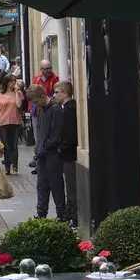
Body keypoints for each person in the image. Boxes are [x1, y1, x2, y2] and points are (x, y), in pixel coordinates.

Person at [31, 84, 64, 219]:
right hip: (42, 154)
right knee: (42, 186)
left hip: (52, 154)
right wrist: (38, 148)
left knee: (56, 186)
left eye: (36, 102)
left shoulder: (55, 110)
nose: (36, 105)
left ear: (43, 96)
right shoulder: (42, 110)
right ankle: (41, 213)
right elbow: (40, 131)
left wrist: (44, 148)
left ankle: (61, 215)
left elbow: (55, 135)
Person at [56, 81, 79, 226]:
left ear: (65, 93)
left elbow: (69, 134)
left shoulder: (69, 110)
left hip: (70, 156)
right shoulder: (68, 108)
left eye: (56, 92)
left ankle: (73, 217)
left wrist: (62, 148)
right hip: (69, 154)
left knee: (71, 188)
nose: (54, 95)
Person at [0, 74, 25, 175]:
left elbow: (19, 105)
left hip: (15, 122)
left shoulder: (18, 93)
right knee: (6, 146)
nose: (14, 83)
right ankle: (7, 167)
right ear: (7, 82)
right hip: (3, 122)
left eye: (15, 81)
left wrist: (17, 91)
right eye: (12, 81)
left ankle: (15, 166)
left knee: (14, 146)